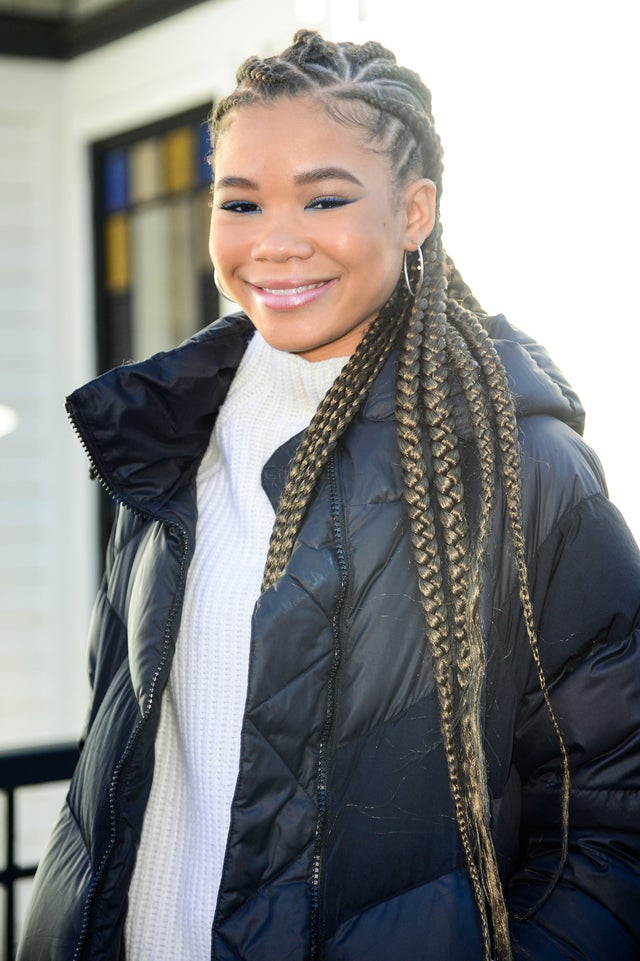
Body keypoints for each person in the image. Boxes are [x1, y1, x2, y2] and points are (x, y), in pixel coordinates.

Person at [17, 29, 640, 961]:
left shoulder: (521, 463)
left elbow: (613, 819)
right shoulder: (164, 439)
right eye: (240, 200)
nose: (275, 240)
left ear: (414, 210)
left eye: (325, 197)